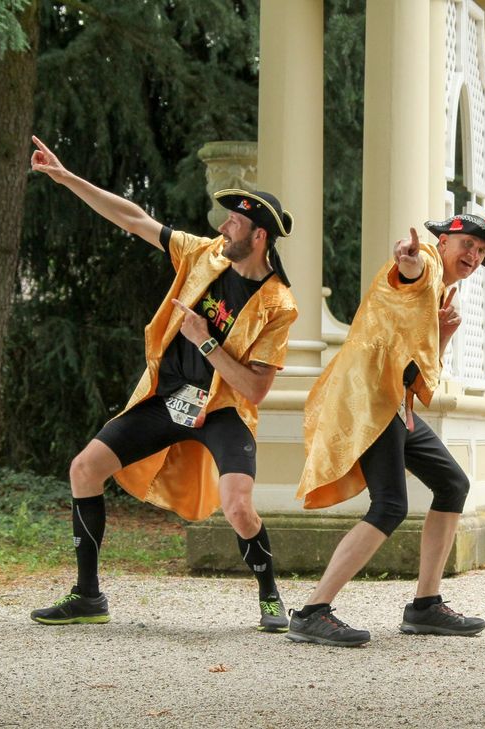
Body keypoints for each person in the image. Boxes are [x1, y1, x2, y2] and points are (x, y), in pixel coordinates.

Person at [27, 136, 298, 632]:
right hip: (167, 399)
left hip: (222, 411)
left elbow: (255, 390)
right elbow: (134, 219)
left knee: (239, 508)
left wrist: (204, 340)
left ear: (259, 236)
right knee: (85, 469)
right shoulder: (205, 255)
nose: (223, 227)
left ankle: (270, 596)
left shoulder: (278, 304)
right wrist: (66, 178)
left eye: (234, 223)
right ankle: (88, 596)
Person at [286, 214, 485, 647]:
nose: (474, 255)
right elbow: (410, 272)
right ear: (443, 243)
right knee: (389, 506)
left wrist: (444, 334)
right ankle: (312, 612)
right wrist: (409, 261)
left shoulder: (443, 292)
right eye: (468, 245)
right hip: (369, 398)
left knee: (452, 484)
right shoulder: (428, 265)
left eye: (481, 251)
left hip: (394, 402)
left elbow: (421, 368)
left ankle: (426, 605)